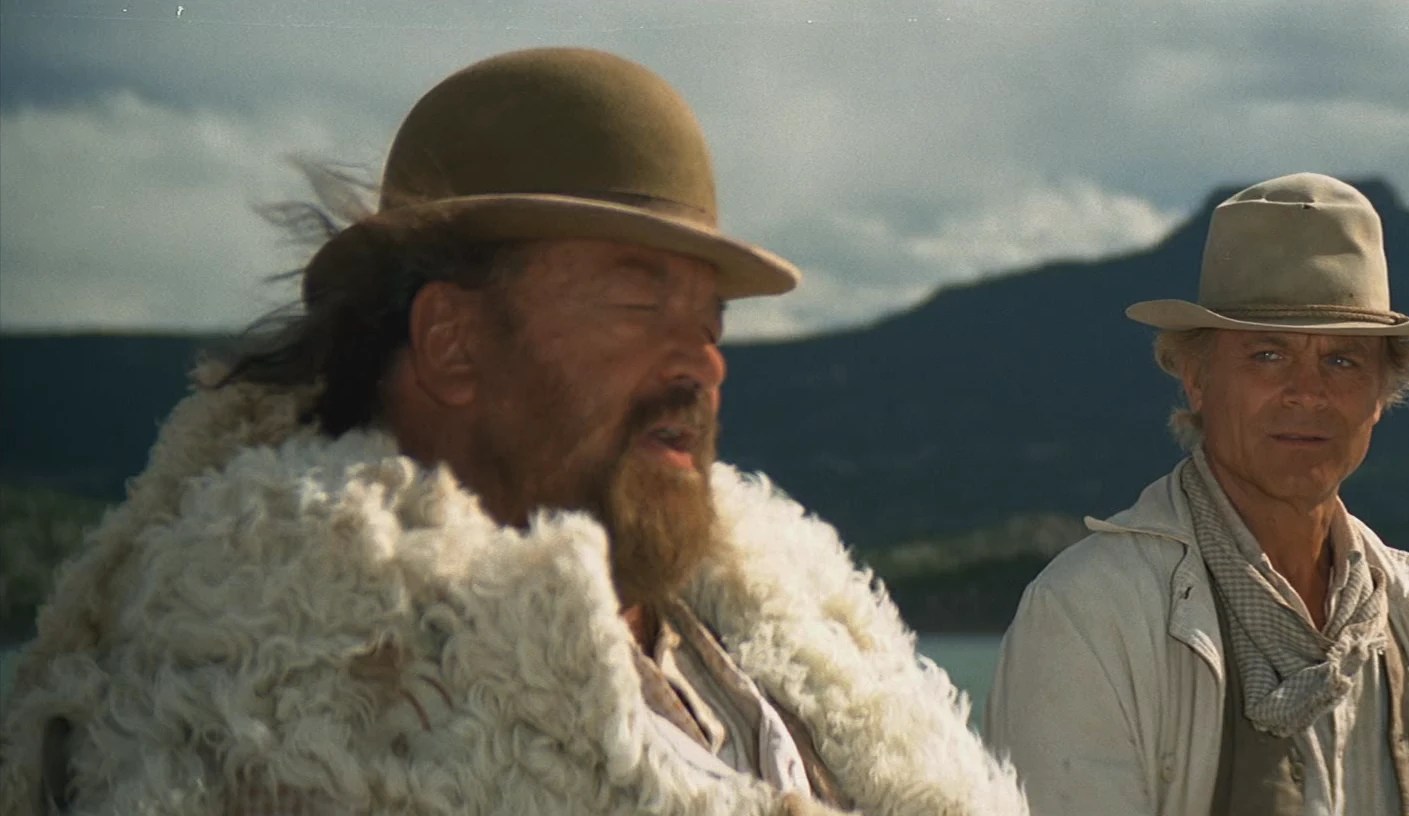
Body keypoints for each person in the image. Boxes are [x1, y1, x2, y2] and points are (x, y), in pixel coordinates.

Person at [0, 47, 1025, 816]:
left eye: (710, 322)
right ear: (451, 341)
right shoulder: (273, 719)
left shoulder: (792, 630)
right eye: (639, 300)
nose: (702, 363)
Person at [985, 173, 1409, 815]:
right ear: (1196, 378)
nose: (1308, 393)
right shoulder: (1091, 612)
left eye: (1343, 361)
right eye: (1268, 355)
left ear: (1382, 396)